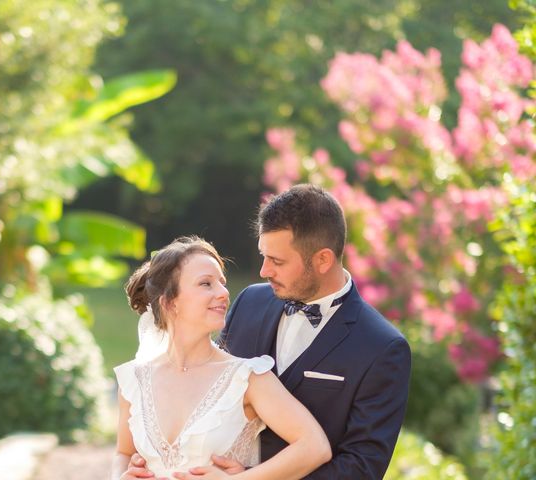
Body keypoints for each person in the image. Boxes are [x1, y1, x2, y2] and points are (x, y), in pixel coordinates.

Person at [127, 184, 411, 479]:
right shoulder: (250, 302)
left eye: (277, 261)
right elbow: (209, 389)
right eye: (264, 255)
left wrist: (251, 477)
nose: (264, 271)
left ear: (323, 260)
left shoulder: (381, 347)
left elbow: (362, 469)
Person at [111, 236, 332, 480]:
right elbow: (124, 451)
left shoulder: (247, 378)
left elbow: (315, 446)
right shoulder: (135, 380)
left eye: (222, 283)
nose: (223, 292)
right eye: (206, 284)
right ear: (169, 303)